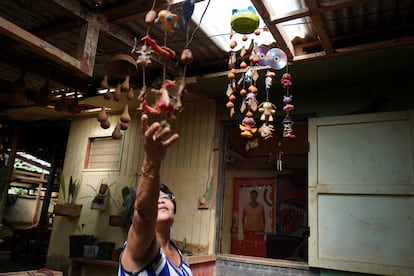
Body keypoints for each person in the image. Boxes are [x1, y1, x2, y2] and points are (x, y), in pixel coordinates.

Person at [118, 114, 192, 276]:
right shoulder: (139, 246)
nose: (161, 201)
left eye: (165, 197)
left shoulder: (177, 253)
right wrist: (151, 162)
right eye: (155, 199)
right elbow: (145, 217)